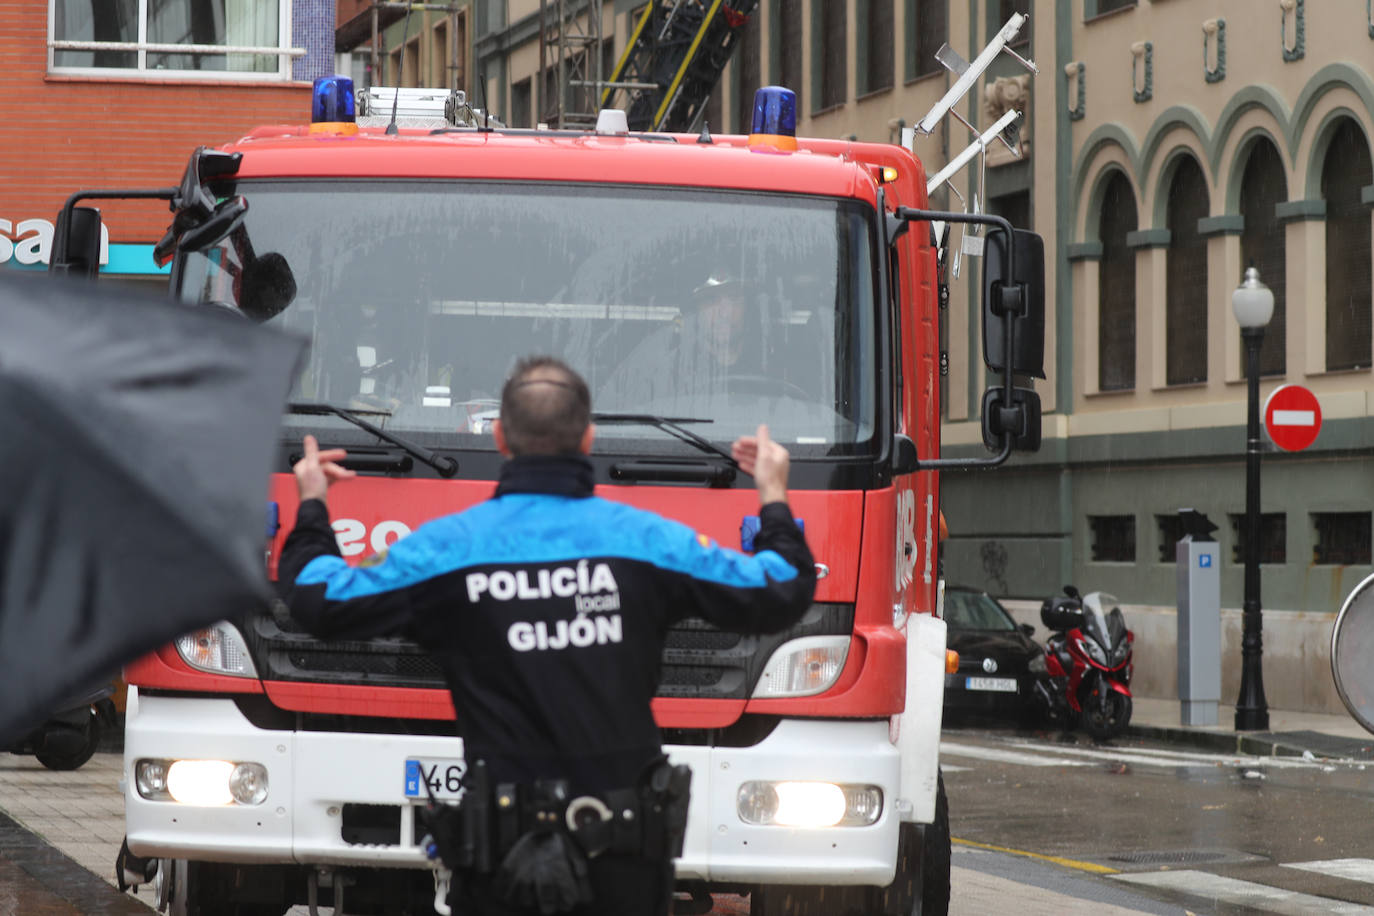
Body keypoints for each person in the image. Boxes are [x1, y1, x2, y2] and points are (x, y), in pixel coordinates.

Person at [278, 355, 816, 916]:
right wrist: (773, 495)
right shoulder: (648, 541)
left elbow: (320, 598)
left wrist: (314, 504)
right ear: (587, 437)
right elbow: (781, 588)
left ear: (499, 437)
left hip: (500, 864)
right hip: (624, 866)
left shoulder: (444, 550)